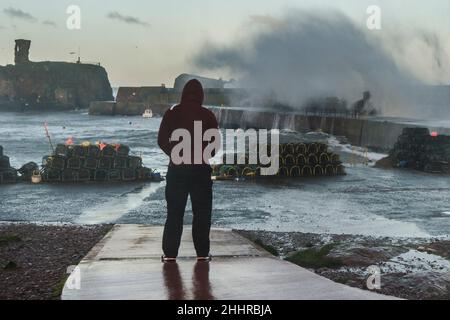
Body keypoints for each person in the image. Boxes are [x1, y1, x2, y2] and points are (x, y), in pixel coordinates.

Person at [158, 79, 219, 262]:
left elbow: (161, 140)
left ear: (183, 94)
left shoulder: (171, 113)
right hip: (201, 171)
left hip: (177, 170)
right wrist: (203, 154)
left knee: (175, 212)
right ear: (201, 95)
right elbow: (214, 145)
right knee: (201, 213)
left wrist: (175, 154)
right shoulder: (208, 115)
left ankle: (170, 254)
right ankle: (202, 253)